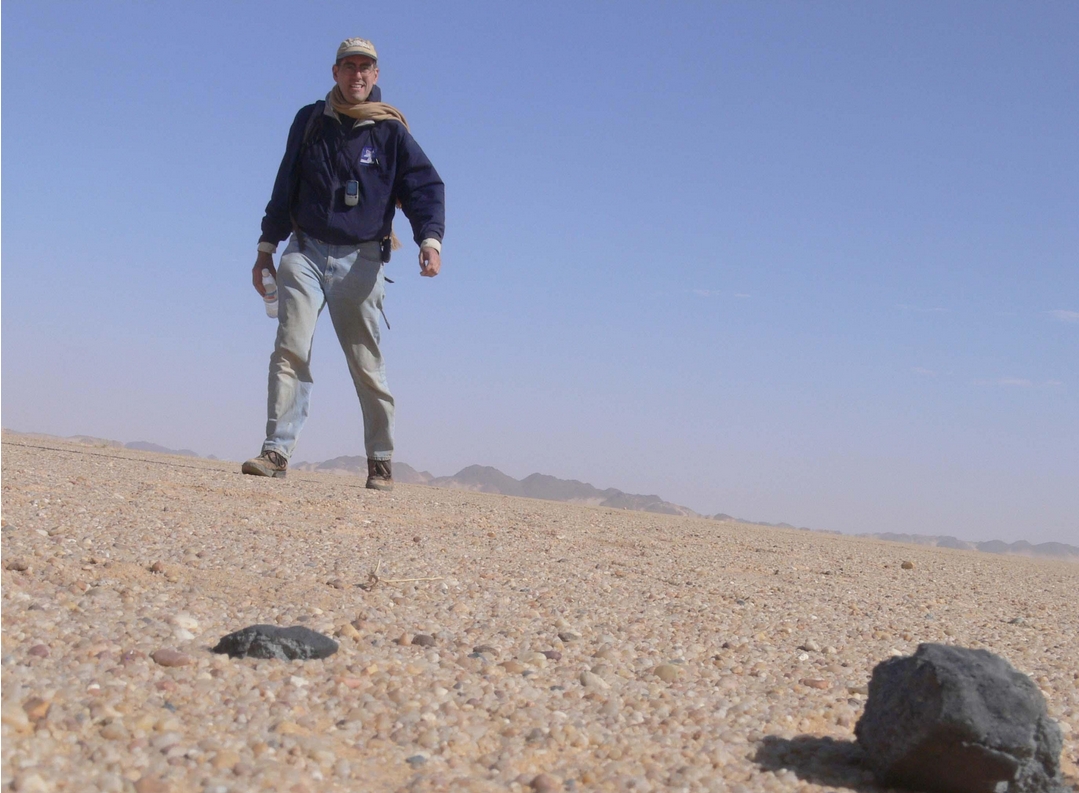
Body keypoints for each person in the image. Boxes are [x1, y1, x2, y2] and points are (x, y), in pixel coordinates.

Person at [242, 37, 445, 490]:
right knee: (290, 346)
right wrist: (265, 249)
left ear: (376, 77)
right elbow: (285, 183)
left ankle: (380, 458)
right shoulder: (311, 121)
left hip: (363, 259)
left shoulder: (390, 132)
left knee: (366, 363)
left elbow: (424, 187)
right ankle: (276, 449)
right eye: (348, 66)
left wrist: (429, 239)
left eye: (365, 68)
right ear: (335, 72)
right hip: (306, 251)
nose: (357, 74)